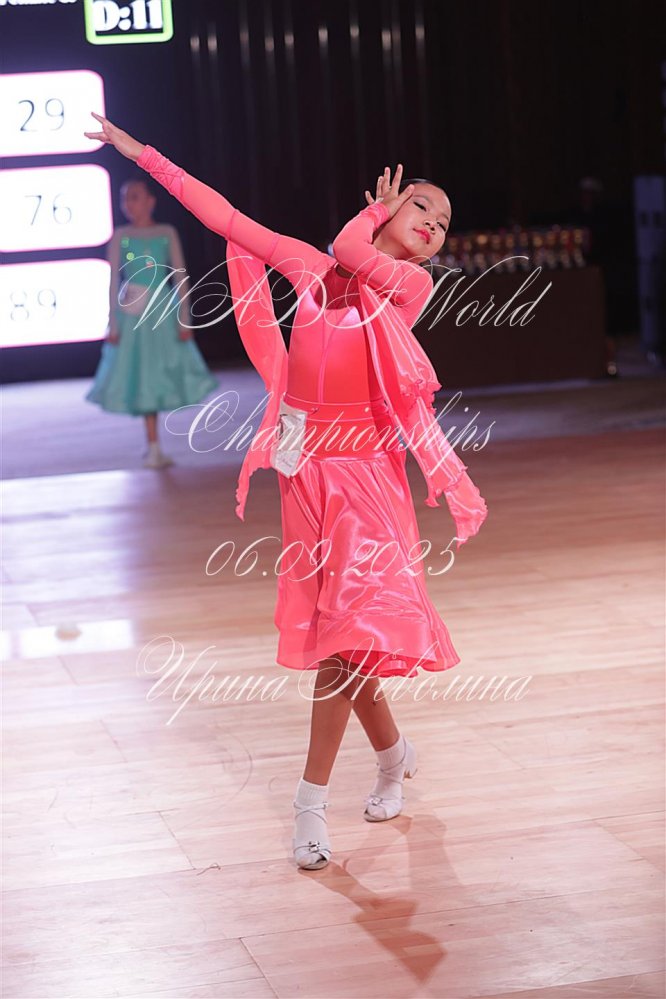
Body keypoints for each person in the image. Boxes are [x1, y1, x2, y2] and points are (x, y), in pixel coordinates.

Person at [84, 111, 488, 870]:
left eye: (442, 221)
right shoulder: (306, 265)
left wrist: (368, 220)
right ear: (388, 206)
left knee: (346, 640)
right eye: (422, 207)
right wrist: (138, 150)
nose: (434, 224)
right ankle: (394, 755)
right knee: (345, 642)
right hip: (308, 475)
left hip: (369, 478)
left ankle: (310, 802)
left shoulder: (409, 283)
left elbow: (350, 250)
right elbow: (221, 213)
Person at [85, 171, 218, 467]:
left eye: (134, 197)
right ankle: (153, 445)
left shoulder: (166, 232)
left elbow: (180, 276)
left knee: (162, 370)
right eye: (125, 199)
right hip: (133, 315)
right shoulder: (121, 236)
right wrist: (113, 322)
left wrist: (184, 317)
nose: (128, 204)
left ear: (150, 201)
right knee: (141, 373)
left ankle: (156, 445)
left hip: (162, 311)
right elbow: (113, 280)